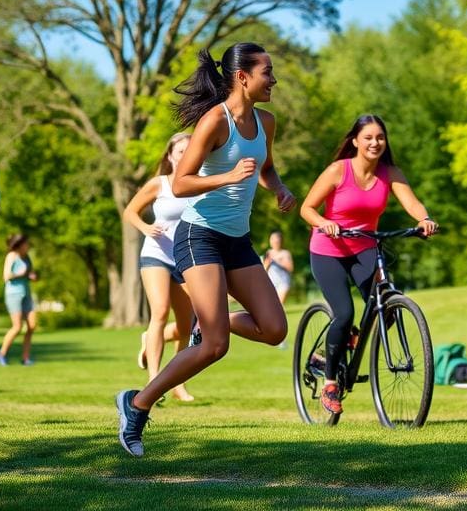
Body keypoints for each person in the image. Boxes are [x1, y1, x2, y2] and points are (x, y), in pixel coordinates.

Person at [115, 43, 295, 456]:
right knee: (215, 346)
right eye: (267, 72)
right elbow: (180, 183)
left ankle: (215, 319)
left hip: (237, 239)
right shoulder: (215, 121)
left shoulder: (266, 122)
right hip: (199, 236)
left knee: (275, 329)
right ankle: (137, 404)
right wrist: (227, 177)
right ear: (242, 77)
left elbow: (265, 167)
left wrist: (279, 189)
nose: (274, 80)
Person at [299, 114, 438, 416]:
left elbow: (412, 202)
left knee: (385, 309)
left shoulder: (390, 173)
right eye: (368, 138)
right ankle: (331, 381)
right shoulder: (338, 170)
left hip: (365, 247)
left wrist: (423, 219)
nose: (375, 143)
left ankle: (351, 338)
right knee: (345, 313)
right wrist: (324, 223)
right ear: (355, 142)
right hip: (329, 250)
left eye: (380, 137)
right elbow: (306, 208)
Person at [124, 132, 196, 403]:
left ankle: (178, 383)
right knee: (161, 311)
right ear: (170, 157)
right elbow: (130, 211)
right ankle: (154, 380)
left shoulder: (201, 185)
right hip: (156, 255)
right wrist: (146, 228)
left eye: (190, 152)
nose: (185, 156)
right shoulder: (160, 184)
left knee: (188, 326)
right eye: (180, 152)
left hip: (185, 259)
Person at [0, 233, 38, 366]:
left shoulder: (27, 257)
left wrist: (32, 276)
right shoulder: (12, 256)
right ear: (19, 244)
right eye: (26, 243)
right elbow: (6, 276)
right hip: (13, 294)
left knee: (32, 325)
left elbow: (29, 272)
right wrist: (23, 274)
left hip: (26, 293)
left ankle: (25, 358)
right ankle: (1, 354)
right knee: (17, 327)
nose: (28, 246)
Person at [263, 229, 293, 305]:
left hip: (283, 283)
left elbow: (290, 268)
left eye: (277, 239)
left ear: (280, 241)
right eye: (272, 239)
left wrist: (278, 260)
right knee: (271, 306)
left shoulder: (285, 253)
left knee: (279, 305)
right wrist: (268, 263)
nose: (275, 241)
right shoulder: (268, 253)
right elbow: (264, 270)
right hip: (271, 283)